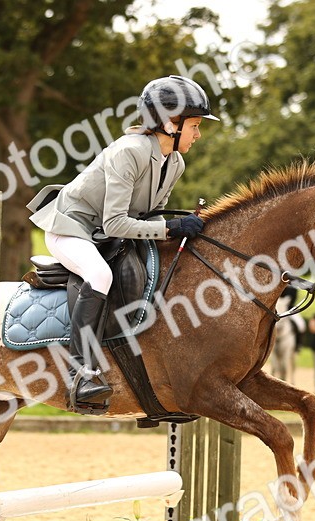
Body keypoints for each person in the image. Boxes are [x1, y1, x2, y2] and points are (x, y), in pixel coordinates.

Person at [27, 75, 218, 412]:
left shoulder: (175, 162)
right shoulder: (129, 151)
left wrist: (178, 226)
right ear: (170, 123)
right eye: (195, 125)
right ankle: (79, 373)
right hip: (72, 228)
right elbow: (116, 221)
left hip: (108, 234)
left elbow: (149, 215)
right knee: (100, 275)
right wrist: (170, 227)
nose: (198, 134)